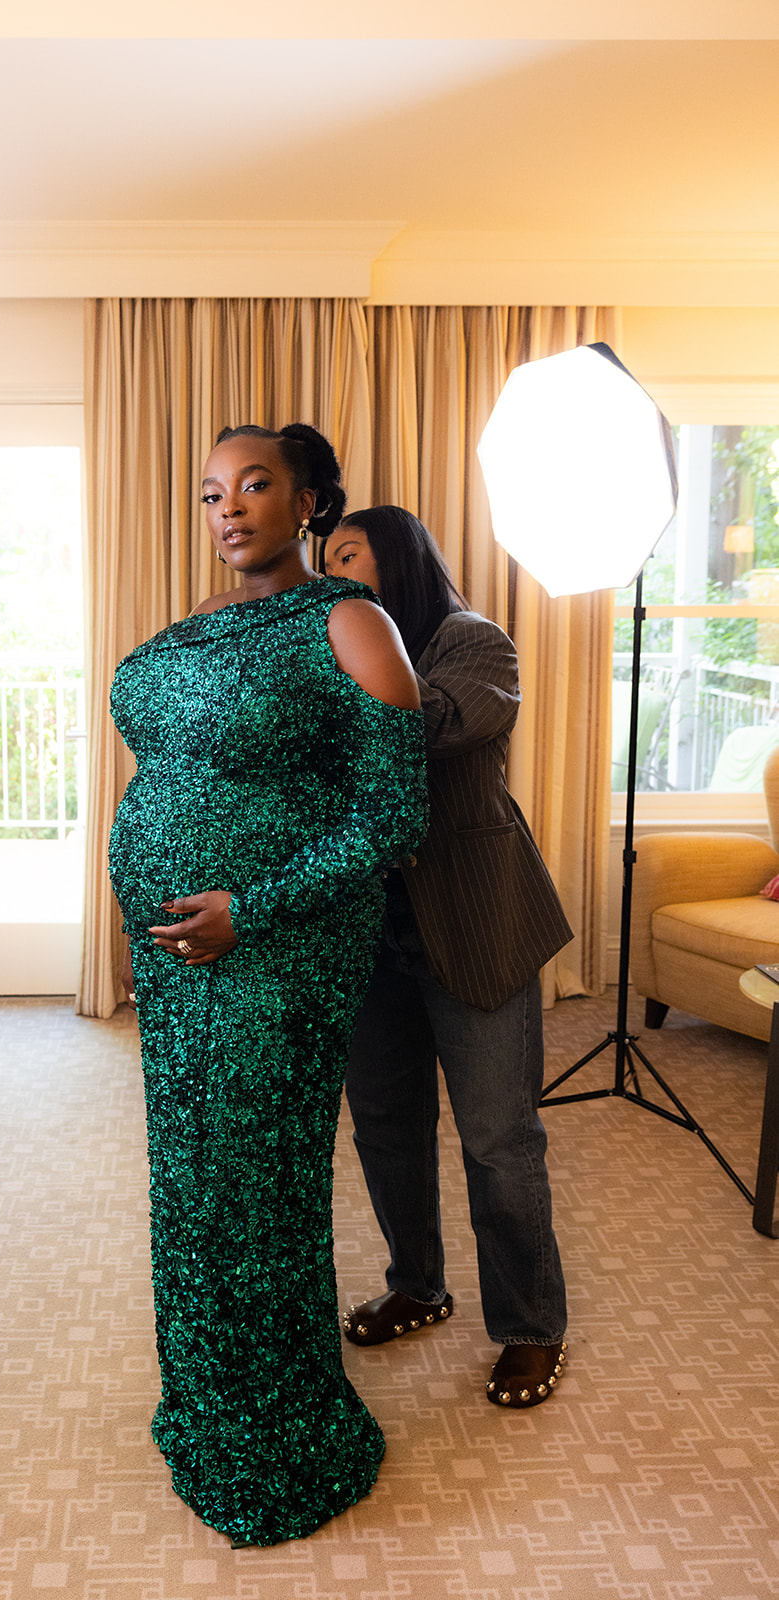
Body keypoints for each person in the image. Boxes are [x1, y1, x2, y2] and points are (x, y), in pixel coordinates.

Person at [108, 427, 428, 1546]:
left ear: (307, 503)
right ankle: (204, 1404)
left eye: (253, 485)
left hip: (280, 951)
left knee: (256, 1184)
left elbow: (394, 814)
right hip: (176, 959)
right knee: (190, 1177)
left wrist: (252, 908)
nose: (229, 508)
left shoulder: (349, 620)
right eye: (210, 492)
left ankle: (278, 1433)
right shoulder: (192, 631)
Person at [322, 506, 571, 1409]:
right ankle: (417, 1285)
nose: (333, 571)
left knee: (499, 1141)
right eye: (326, 559)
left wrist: (317, 702)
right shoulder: (333, 652)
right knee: (385, 1128)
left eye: (349, 552)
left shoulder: (473, 642)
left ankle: (531, 1325)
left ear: (399, 557)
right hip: (369, 936)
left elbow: (425, 723)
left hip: (475, 925)